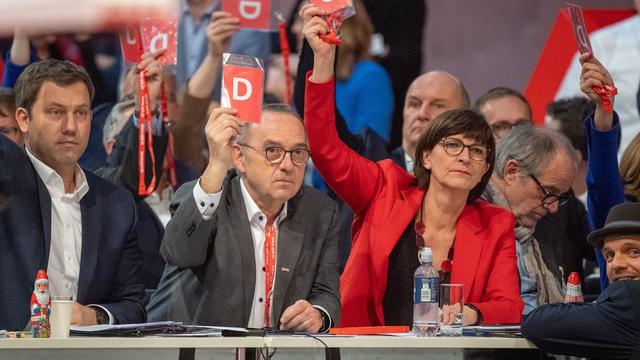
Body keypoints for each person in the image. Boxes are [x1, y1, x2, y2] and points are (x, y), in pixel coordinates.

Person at [301, 4, 522, 327]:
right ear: (426, 157)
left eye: (477, 151)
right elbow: (324, 148)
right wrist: (322, 60)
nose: (465, 156)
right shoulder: (384, 188)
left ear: (485, 167)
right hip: (367, 350)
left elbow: (510, 306)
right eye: (452, 145)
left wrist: (471, 312)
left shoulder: (496, 223)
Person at [159, 104, 341, 331]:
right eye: (272, 151)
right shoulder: (208, 197)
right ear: (240, 157)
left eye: (298, 153)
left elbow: (327, 293)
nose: (287, 165)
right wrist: (217, 165)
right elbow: (178, 253)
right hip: (195, 350)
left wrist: (318, 314)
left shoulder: (320, 212)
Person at [0, 59, 146, 330]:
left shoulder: (116, 205)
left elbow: (134, 306)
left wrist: (93, 316)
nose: (71, 126)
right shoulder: (7, 177)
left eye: (81, 113)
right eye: (56, 112)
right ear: (23, 119)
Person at [522, 202, 640, 360]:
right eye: (609, 255)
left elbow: (535, 324)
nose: (616, 264)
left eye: (633, 251)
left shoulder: (630, 297)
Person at [483, 124, 578, 314]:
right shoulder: (471, 220)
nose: (553, 207)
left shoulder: (545, 229)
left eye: (559, 196)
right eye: (549, 192)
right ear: (511, 171)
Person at [334, 0, 394, 142]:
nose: (295, 28)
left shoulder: (371, 77)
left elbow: (369, 146)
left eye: (303, 21)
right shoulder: (308, 78)